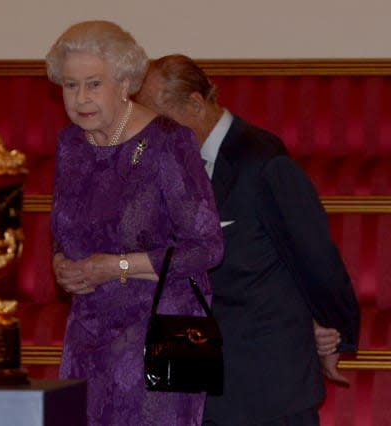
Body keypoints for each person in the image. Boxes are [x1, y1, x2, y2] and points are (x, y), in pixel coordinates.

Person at [136, 54, 360, 426]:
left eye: (158, 119)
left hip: (260, 383)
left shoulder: (262, 162)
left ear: (195, 103)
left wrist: (336, 334)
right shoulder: (161, 165)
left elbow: (315, 257)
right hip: (183, 368)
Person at [45, 22, 224, 425]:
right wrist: (60, 264)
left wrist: (117, 266)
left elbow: (208, 247)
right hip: (90, 331)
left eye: (93, 84)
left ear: (124, 82)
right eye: (70, 86)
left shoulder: (169, 142)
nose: (81, 98)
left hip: (169, 331)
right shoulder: (70, 144)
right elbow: (64, 229)